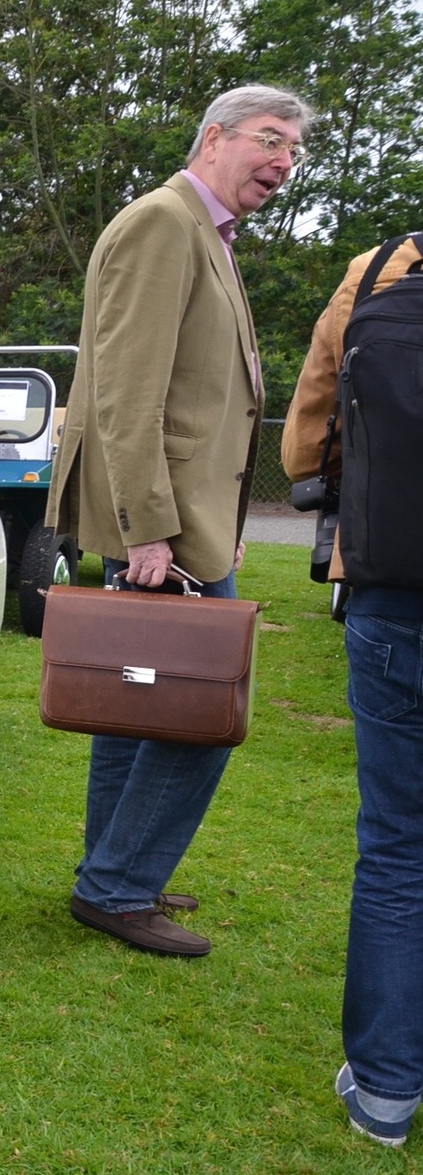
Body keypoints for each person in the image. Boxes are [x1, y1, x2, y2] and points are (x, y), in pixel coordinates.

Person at [47, 84, 309, 959]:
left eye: (293, 150)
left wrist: (211, 517)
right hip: (155, 520)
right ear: (212, 138)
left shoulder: (204, 231)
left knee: (139, 705)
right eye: (269, 140)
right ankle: (116, 887)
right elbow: (126, 394)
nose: (283, 161)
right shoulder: (164, 222)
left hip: (180, 516)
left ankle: (111, 874)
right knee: (201, 712)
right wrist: (149, 529)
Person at [283, 233, 423, 1147]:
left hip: (394, 583)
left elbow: (314, 409)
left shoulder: (381, 269)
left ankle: (383, 1089)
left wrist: (312, 479)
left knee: (397, 849)